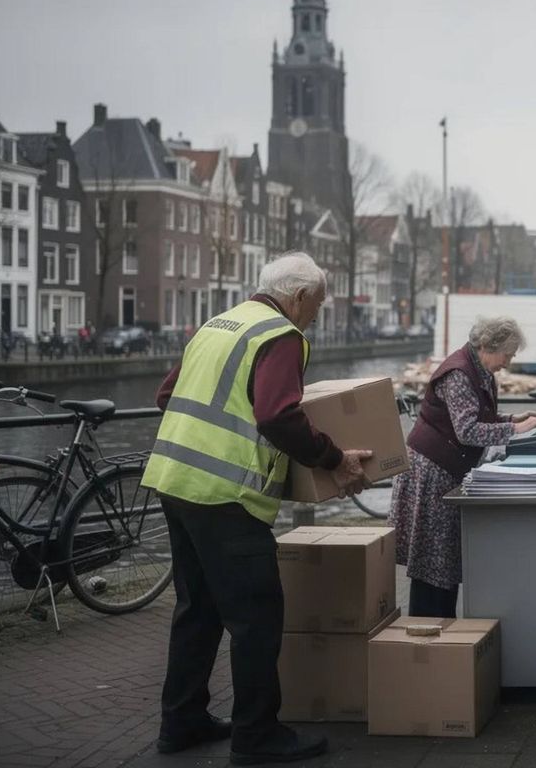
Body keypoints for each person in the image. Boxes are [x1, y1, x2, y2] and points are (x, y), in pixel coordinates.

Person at [141, 252, 371, 765]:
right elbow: (276, 416)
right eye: (317, 304)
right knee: (257, 619)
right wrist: (332, 459)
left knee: (197, 611)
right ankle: (256, 736)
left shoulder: (218, 324)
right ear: (298, 297)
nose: (316, 314)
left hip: (175, 482)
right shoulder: (282, 335)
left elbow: (166, 395)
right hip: (226, 496)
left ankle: (181, 722)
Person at [390, 316, 536, 617]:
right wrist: (515, 430)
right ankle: (428, 635)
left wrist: (512, 419)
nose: (509, 361)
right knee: (432, 561)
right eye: (508, 354)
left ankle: (441, 633)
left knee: (442, 560)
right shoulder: (460, 375)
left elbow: (477, 419)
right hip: (431, 471)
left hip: (444, 469)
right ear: (489, 346)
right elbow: (467, 431)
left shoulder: (479, 371)